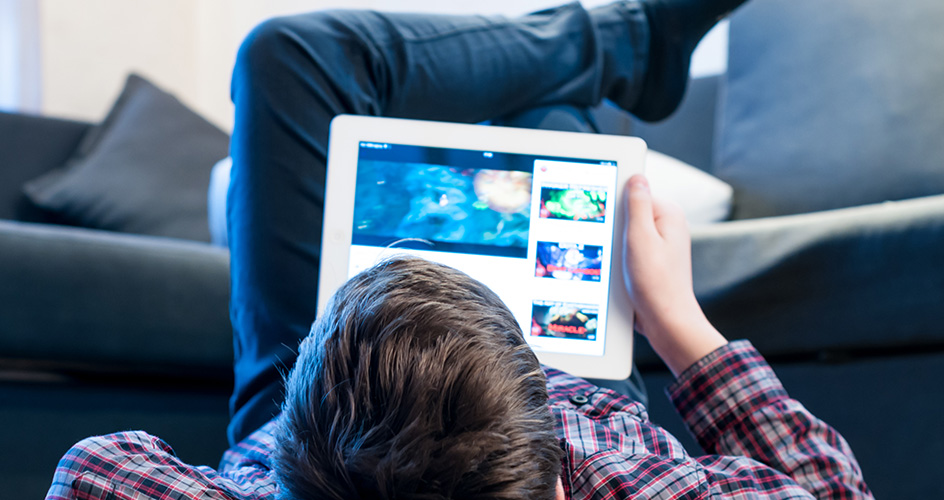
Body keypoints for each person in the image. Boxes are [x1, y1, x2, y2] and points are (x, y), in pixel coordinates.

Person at [48, 1, 873, 498]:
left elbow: (95, 468)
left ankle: (626, 42)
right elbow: (833, 489)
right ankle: (623, 44)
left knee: (284, 59)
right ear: (558, 486)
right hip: (563, 386)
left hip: (313, 421)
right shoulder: (626, 481)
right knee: (550, 125)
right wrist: (679, 322)